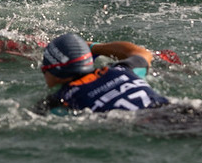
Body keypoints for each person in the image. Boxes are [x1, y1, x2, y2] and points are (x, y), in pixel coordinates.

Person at [33, 33, 169, 115]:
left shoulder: (60, 99)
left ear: (54, 72)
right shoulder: (121, 70)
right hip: (177, 108)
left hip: (151, 124)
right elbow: (142, 53)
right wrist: (92, 47)